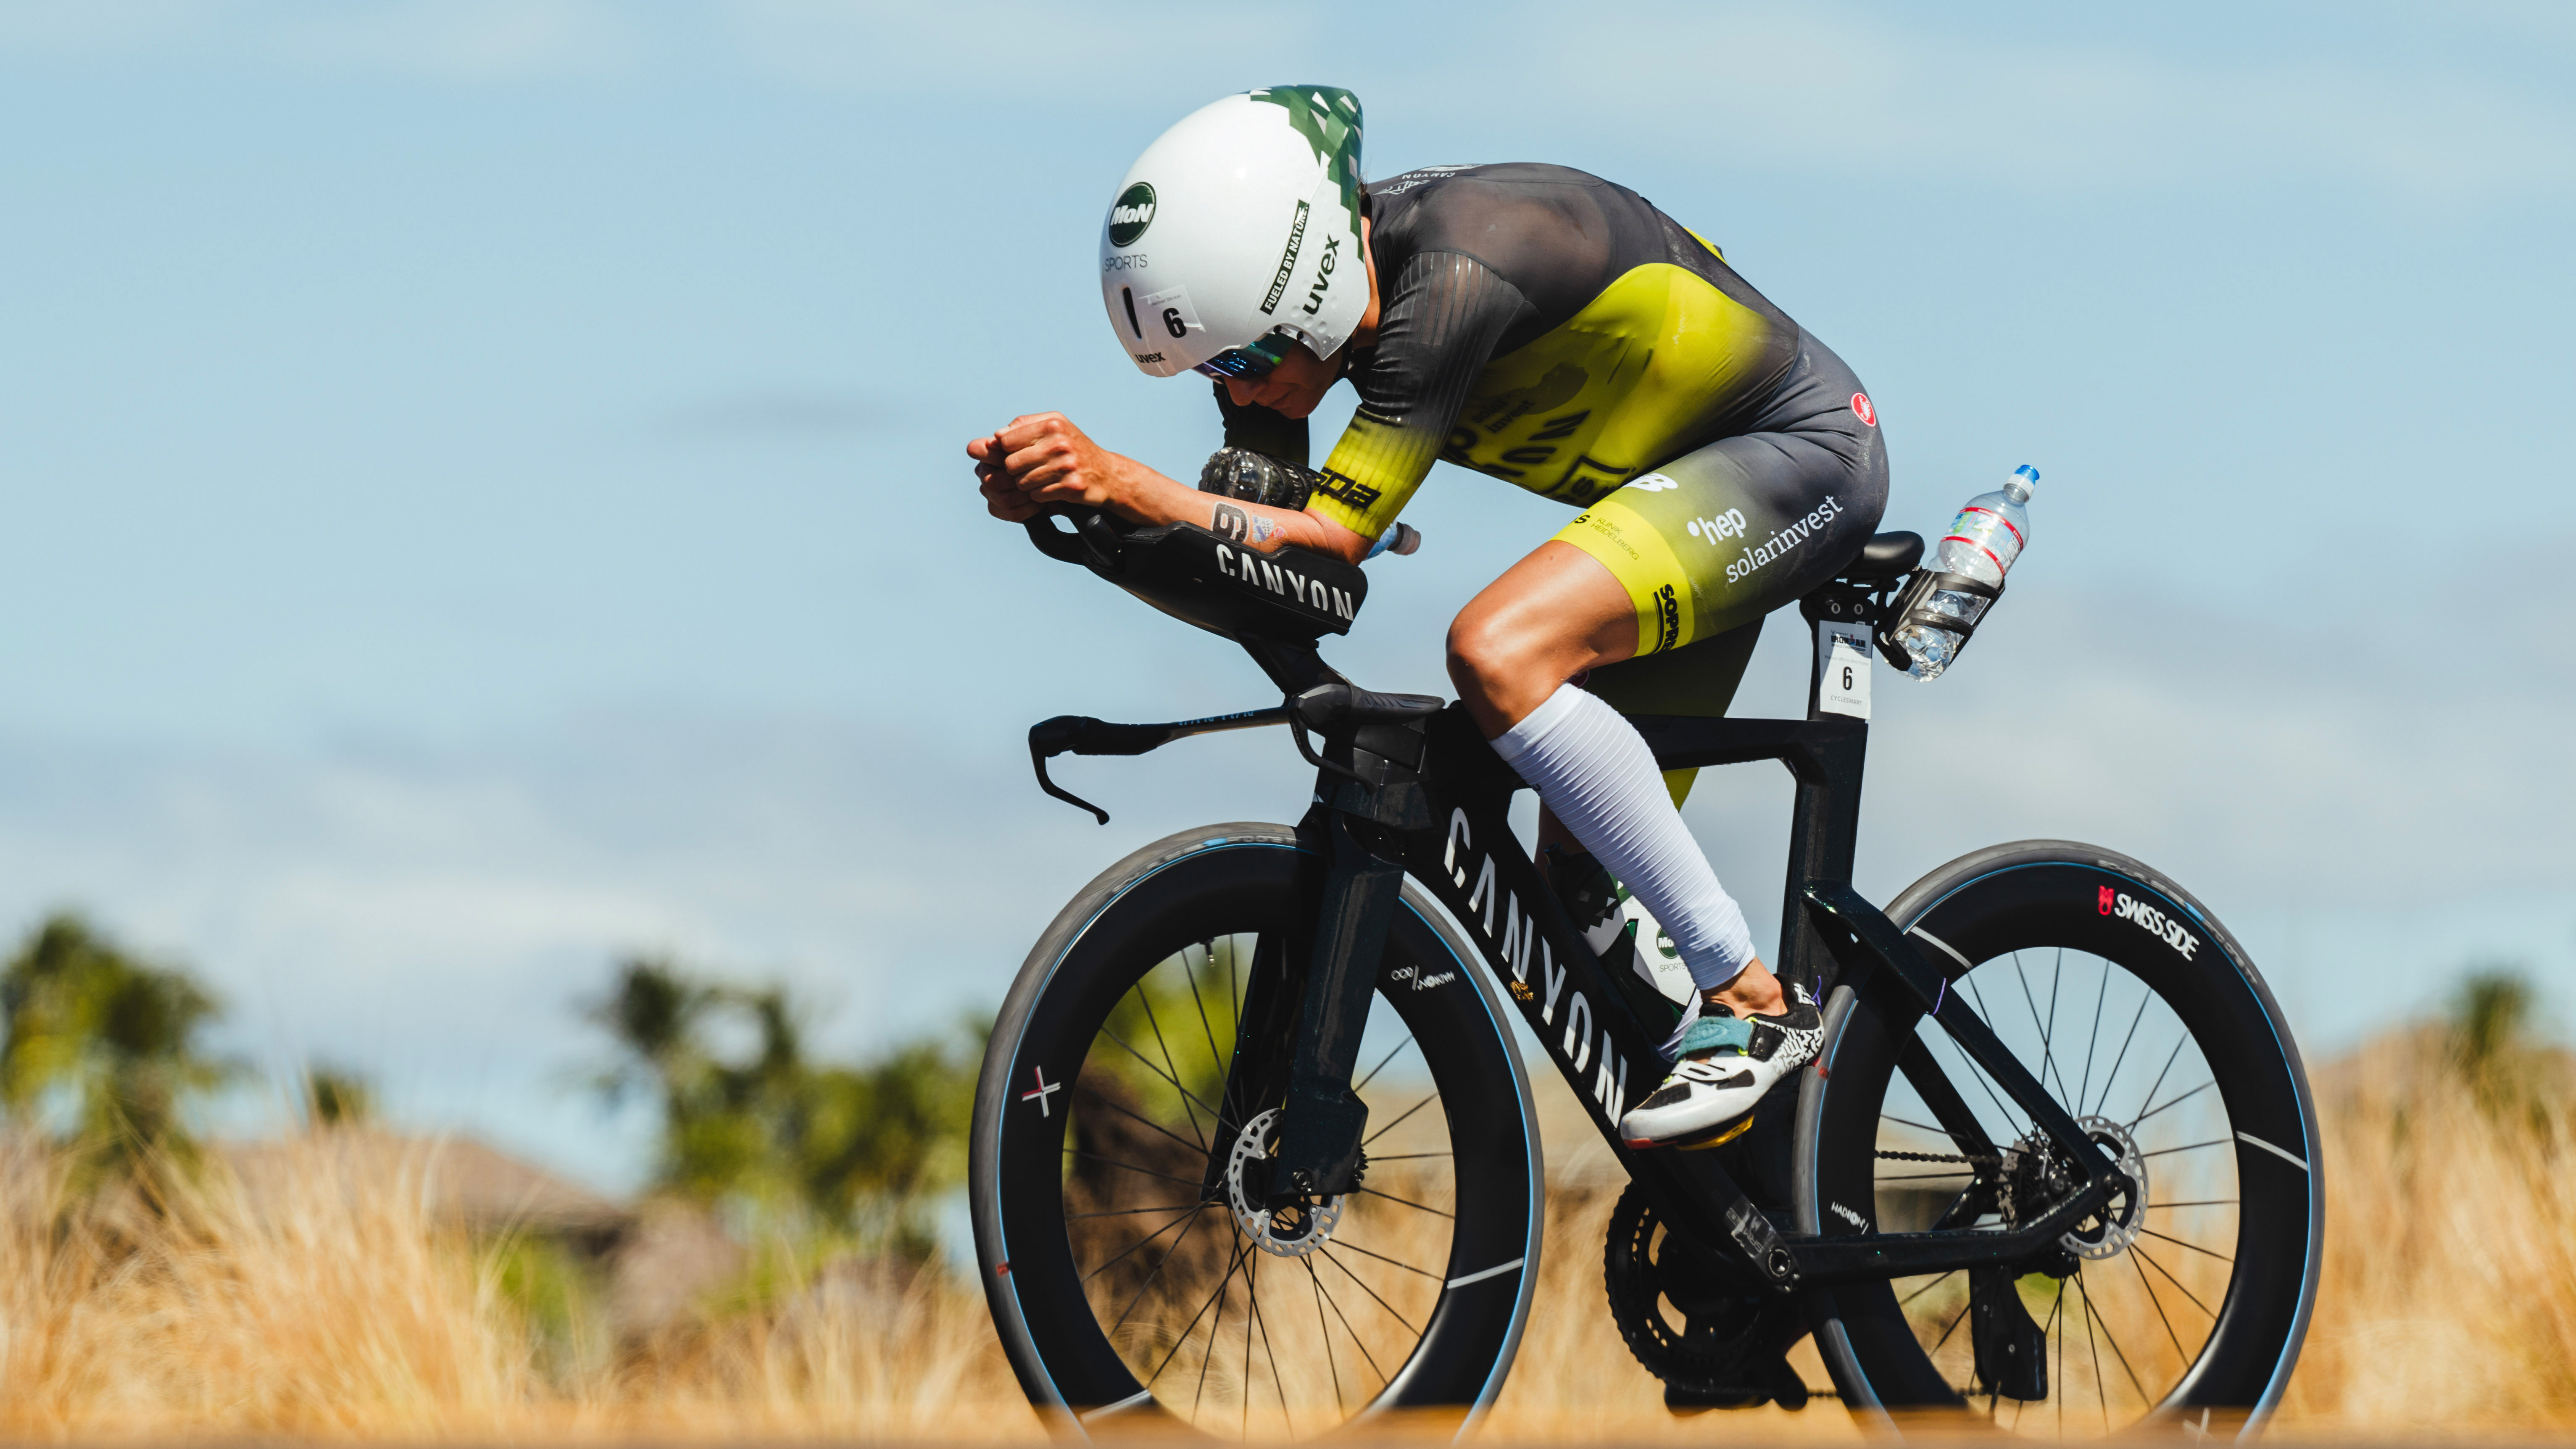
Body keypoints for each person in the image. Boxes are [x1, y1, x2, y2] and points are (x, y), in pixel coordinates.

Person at [969, 87, 1888, 1149]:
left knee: (1495, 650)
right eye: (1216, 370)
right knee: (1579, 895)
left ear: (1305, 290)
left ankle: (1754, 1008)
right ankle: (1772, 1191)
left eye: (1245, 362)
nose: (1241, 394)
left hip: (1799, 455)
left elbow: (1326, 547)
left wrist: (1126, 480)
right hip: (1680, 491)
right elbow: (1263, 558)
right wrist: (1080, 508)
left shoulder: (1452, 278)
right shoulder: (1298, 327)